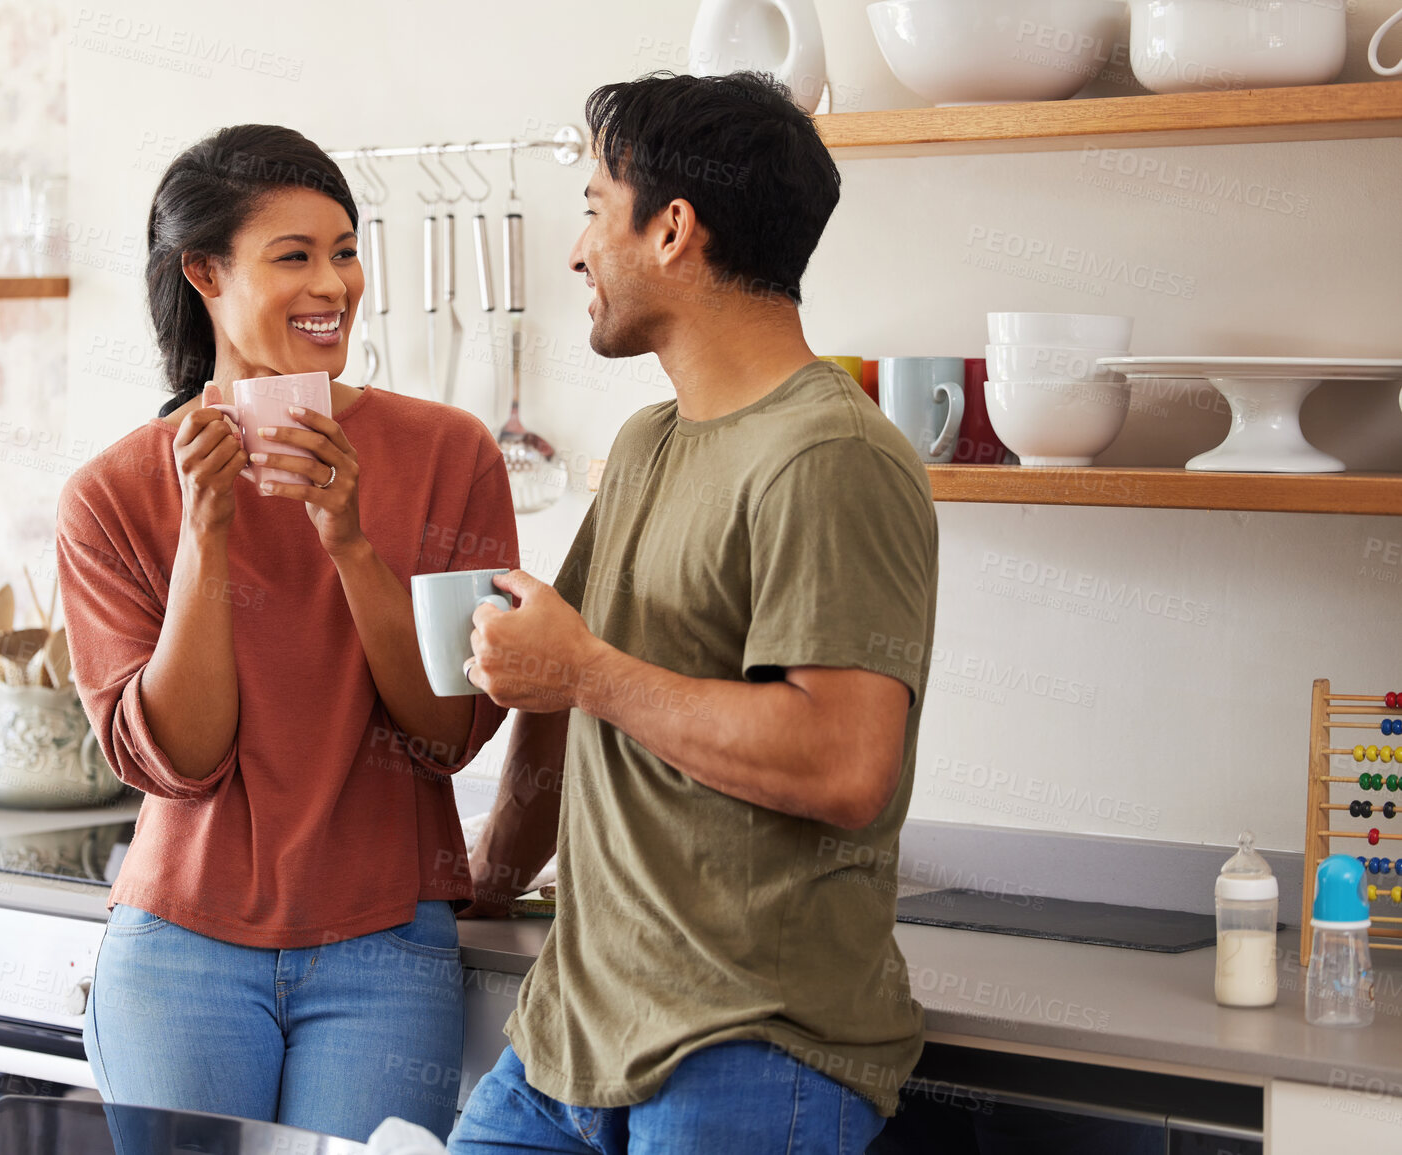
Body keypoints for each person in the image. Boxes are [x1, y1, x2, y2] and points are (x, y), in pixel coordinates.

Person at [449, 72, 938, 1155]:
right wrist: (488, 876)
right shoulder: (645, 445)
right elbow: (555, 685)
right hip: (568, 1043)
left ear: (673, 229)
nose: (576, 252)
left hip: (748, 1055)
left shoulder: (833, 457)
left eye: (591, 207)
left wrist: (584, 673)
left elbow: (846, 765)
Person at [56, 124, 517, 1142]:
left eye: (345, 251)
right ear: (205, 274)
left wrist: (350, 540)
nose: (334, 285)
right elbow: (180, 757)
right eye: (295, 256)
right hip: (178, 948)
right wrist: (205, 539)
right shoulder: (113, 495)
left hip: (386, 948)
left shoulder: (451, 456)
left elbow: (448, 731)